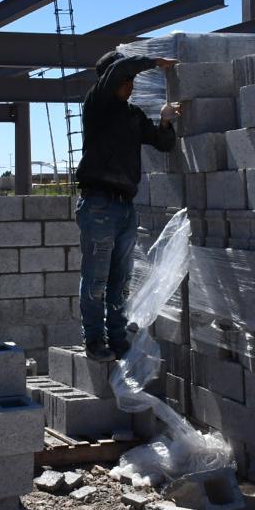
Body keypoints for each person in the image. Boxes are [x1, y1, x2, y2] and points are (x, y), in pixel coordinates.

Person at [74, 51, 180, 362]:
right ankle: (94, 340)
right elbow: (121, 66)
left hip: (123, 208)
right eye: (125, 80)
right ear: (109, 81)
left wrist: (164, 121)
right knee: (96, 279)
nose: (130, 85)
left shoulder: (132, 115)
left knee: (119, 281)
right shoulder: (98, 106)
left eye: (132, 81)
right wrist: (154, 62)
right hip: (98, 205)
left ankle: (117, 339)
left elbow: (163, 143)